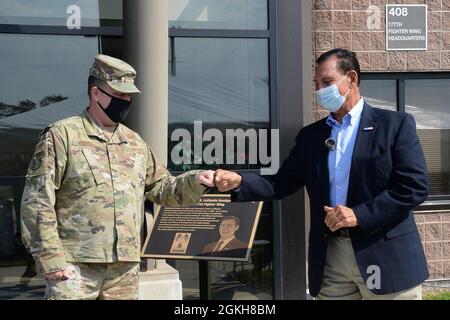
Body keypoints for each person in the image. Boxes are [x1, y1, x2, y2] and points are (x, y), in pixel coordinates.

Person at [214, 48, 429, 300]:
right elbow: (281, 183)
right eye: (316, 83)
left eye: (326, 82)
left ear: (351, 79)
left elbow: (413, 187)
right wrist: (239, 181)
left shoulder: (395, 125)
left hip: (384, 253)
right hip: (332, 256)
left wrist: (358, 215)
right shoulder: (311, 136)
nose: (319, 90)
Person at [20, 54, 215, 300]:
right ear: (96, 93)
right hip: (75, 265)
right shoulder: (62, 136)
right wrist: (51, 259)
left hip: (124, 267)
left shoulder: (134, 142)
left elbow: (162, 187)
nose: (126, 100)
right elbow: (38, 203)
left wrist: (196, 180)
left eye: (129, 95)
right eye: (119, 94)